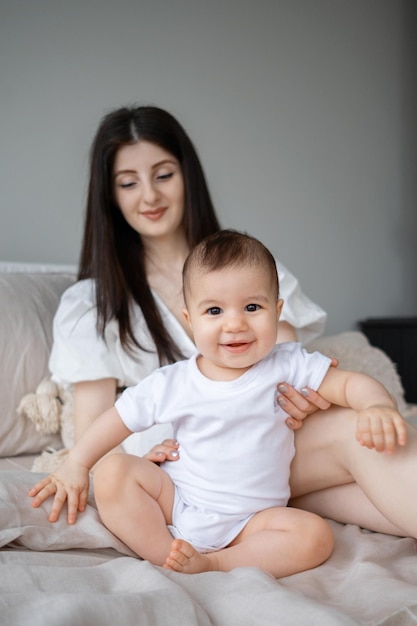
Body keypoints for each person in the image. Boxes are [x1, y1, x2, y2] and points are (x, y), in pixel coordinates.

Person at [45, 105, 417, 540]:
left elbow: (285, 373)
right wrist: (139, 467)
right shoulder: (91, 303)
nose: (149, 196)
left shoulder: (253, 268)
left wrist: (309, 403)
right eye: (128, 183)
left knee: (372, 432)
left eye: (163, 175)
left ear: (188, 176)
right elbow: (95, 431)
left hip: (273, 455)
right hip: (185, 475)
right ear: (109, 195)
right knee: (360, 457)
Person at [29, 230, 408, 578]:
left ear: (277, 312)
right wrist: (77, 464)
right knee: (113, 472)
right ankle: (167, 554)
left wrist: (378, 406)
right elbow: (118, 419)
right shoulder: (175, 381)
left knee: (314, 536)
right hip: (180, 502)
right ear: (190, 321)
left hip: (254, 519)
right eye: (215, 311)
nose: (235, 324)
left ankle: (213, 563)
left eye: (252, 308)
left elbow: (350, 384)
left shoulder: (288, 364)